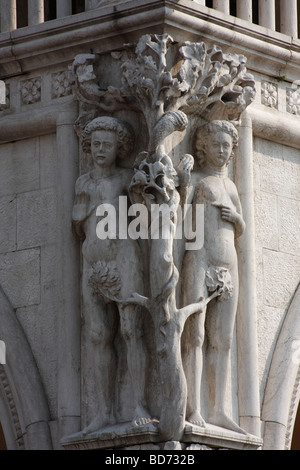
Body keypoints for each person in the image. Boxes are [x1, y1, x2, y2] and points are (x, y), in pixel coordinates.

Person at [72, 116, 150, 433]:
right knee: (97, 335)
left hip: (123, 258)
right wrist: (84, 206)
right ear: (89, 149)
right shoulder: (82, 183)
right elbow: (77, 225)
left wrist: (142, 187)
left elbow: (142, 218)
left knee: (131, 331)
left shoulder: (125, 177)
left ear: (119, 149)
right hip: (92, 263)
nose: (101, 150)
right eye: (96, 145)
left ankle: (141, 404)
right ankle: (103, 411)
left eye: (108, 145)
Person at [180, 120, 246, 433]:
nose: (221, 151)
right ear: (204, 146)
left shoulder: (231, 186)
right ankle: (194, 406)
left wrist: (235, 218)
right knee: (195, 335)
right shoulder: (197, 178)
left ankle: (219, 408)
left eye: (226, 146)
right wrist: (181, 180)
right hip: (199, 260)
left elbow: (241, 226)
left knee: (223, 339)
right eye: (216, 145)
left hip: (228, 265)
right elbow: (178, 212)